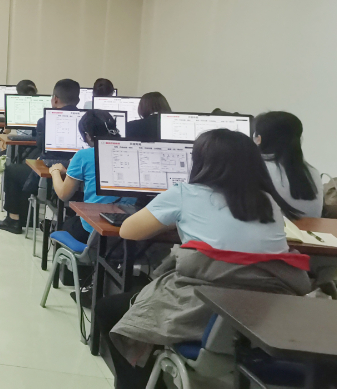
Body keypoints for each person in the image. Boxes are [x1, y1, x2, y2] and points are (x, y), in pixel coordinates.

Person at [95, 129, 309, 389]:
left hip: (206, 309)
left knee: (109, 310)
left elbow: (128, 230)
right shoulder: (268, 202)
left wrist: (173, 220)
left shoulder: (185, 194)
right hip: (266, 316)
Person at [0, 79, 81, 233]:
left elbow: (41, 148)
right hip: (79, 179)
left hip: (51, 177)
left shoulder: (45, 120)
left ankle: (14, 220)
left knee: (13, 171)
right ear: (78, 100)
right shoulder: (88, 120)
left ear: (55, 99)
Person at [48, 110, 133, 243]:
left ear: (87, 135)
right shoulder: (132, 150)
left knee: (67, 225)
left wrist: (54, 172)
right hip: (130, 228)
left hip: (94, 230)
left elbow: (63, 194)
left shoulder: (84, 155)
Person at [256, 111, 323, 218]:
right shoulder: (312, 172)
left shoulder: (256, 170)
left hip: (277, 228)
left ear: (259, 139)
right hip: (312, 228)